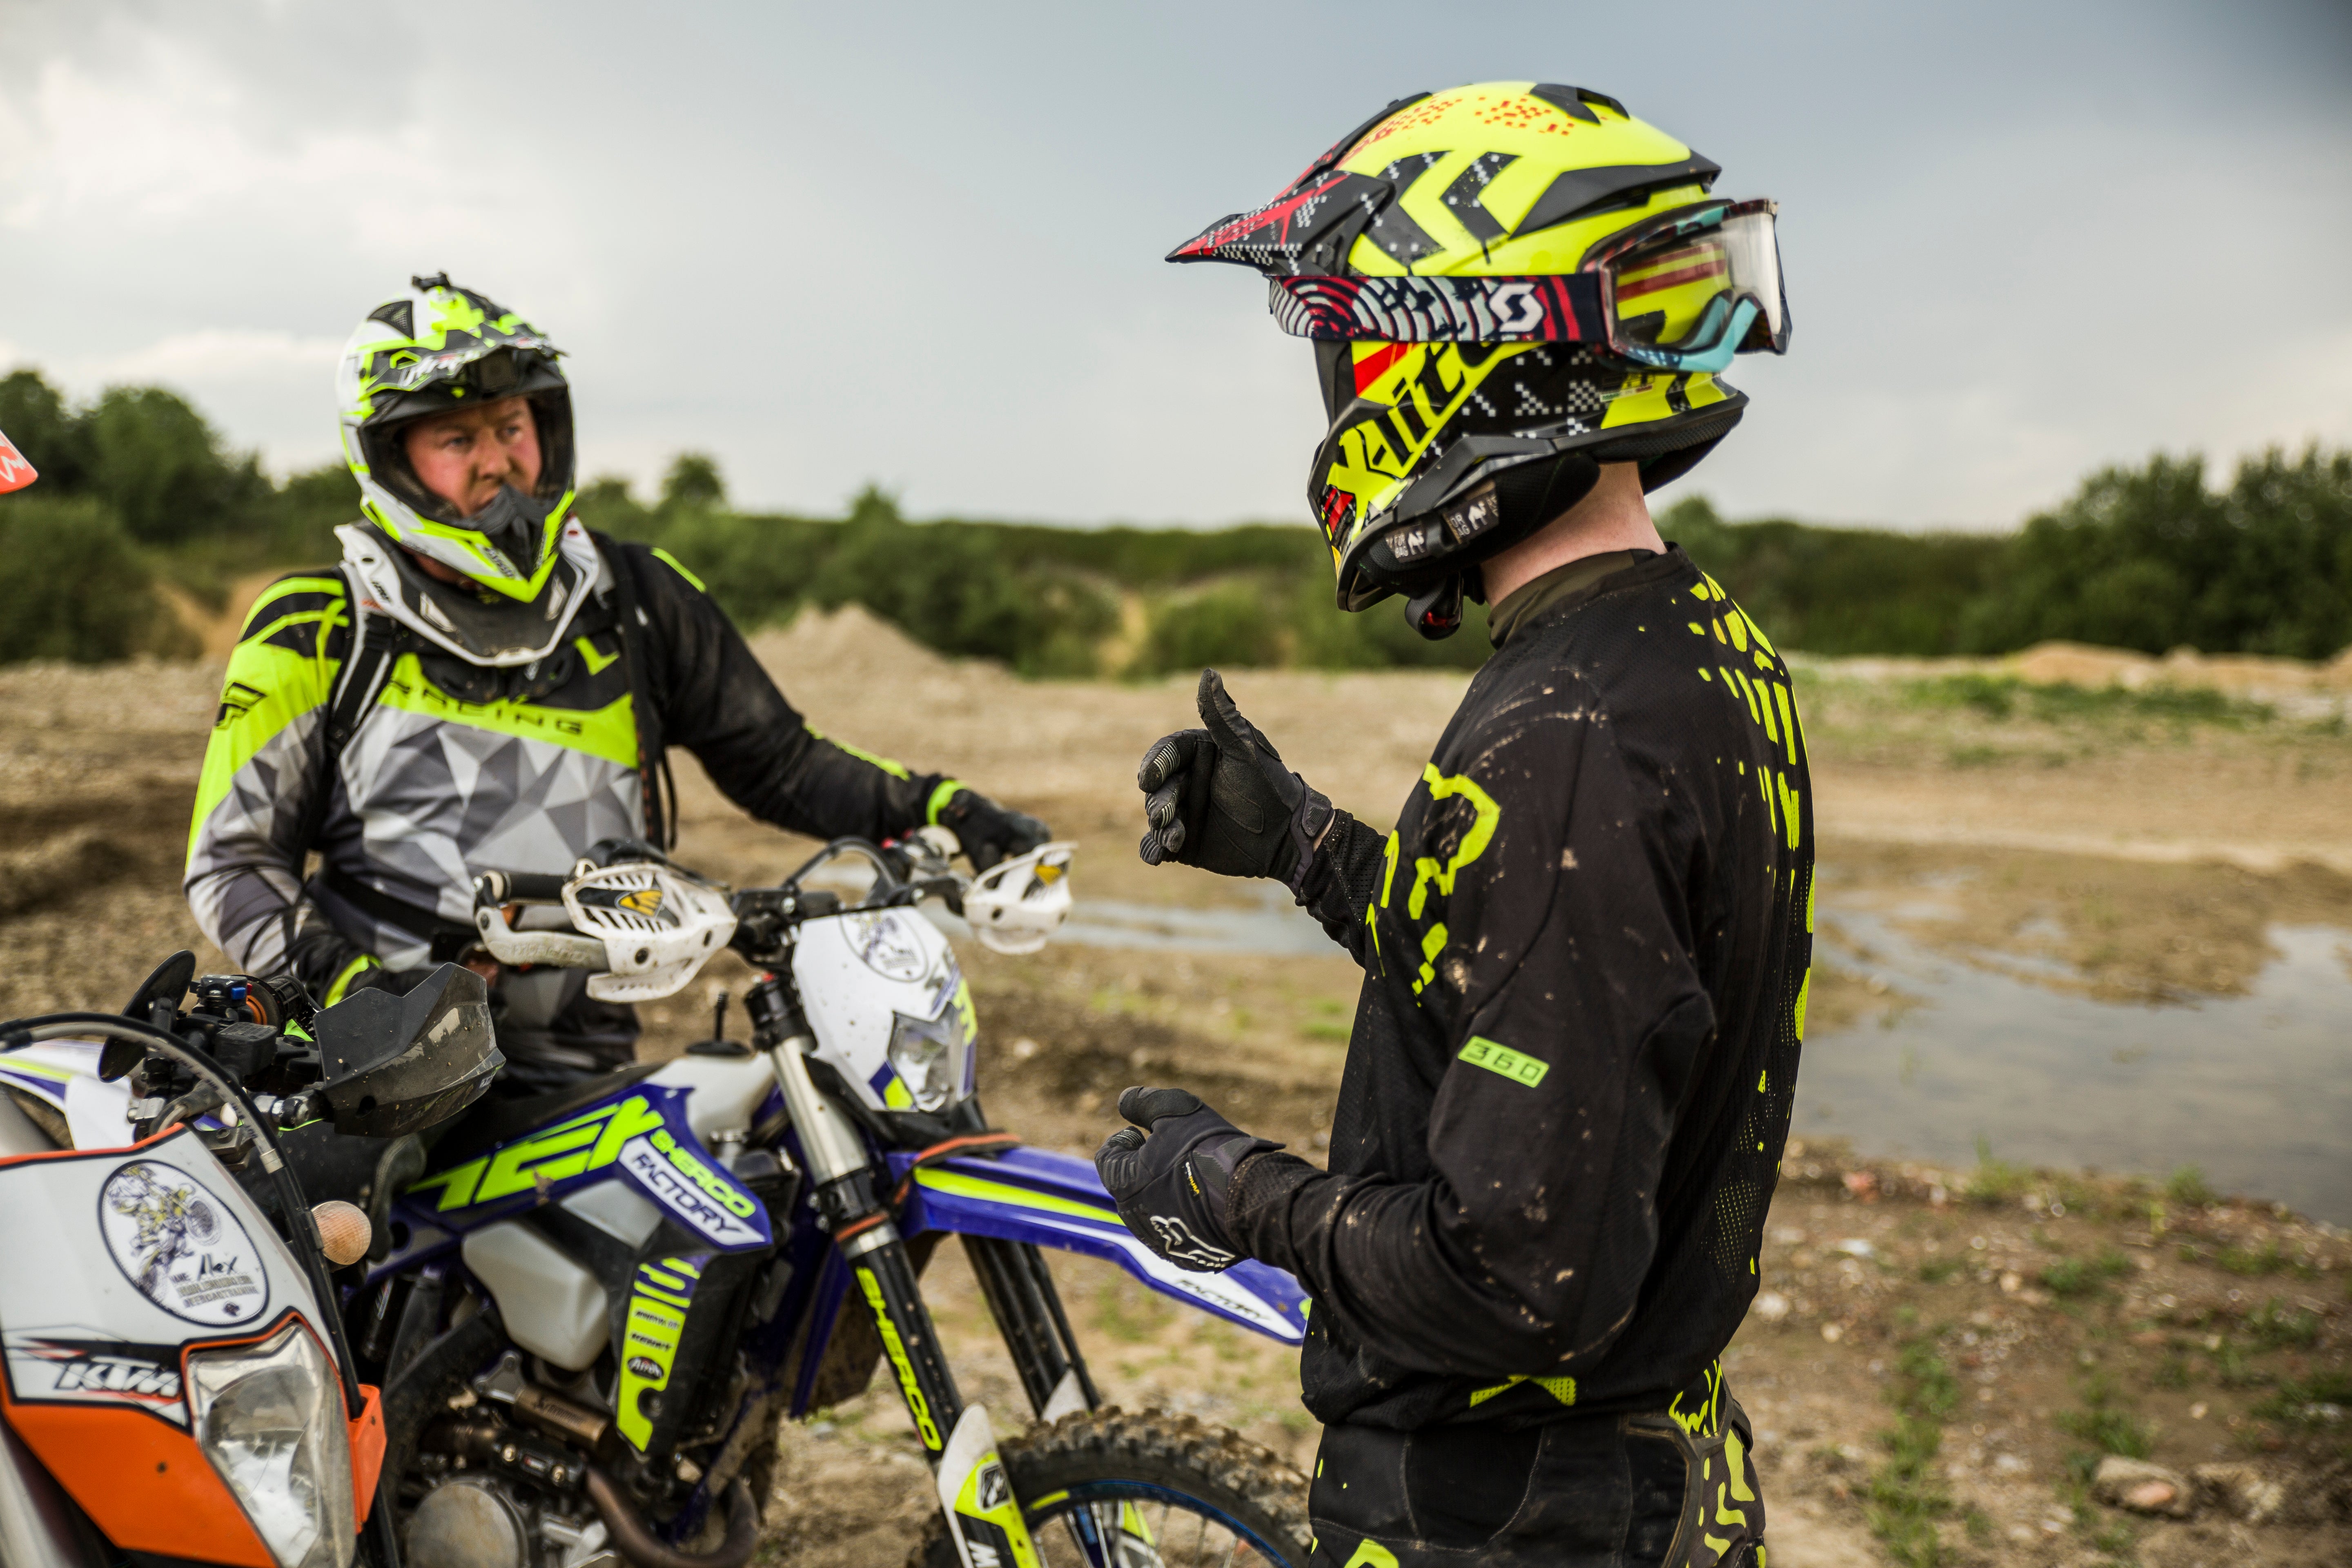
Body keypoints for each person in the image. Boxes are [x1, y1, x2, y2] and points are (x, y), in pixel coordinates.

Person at [1093, 83, 1807, 1567]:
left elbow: (1512, 1280)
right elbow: (1561, 970)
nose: (1343, 397)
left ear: (1452, 348)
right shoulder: (1690, 644)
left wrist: (1228, 1188)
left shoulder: (1566, 733)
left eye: (1352, 349)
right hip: (1639, 1463)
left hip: (1514, 1508)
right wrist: (1308, 848)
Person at [186, 274, 1048, 1093]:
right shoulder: (318, 623)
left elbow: (780, 763)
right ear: (390, 457)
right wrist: (355, 993)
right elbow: (233, 861)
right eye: (457, 439)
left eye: (513, 427)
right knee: (329, 1207)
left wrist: (942, 806)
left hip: (582, 1062)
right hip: (379, 1076)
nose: (498, 462)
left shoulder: (637, 599)